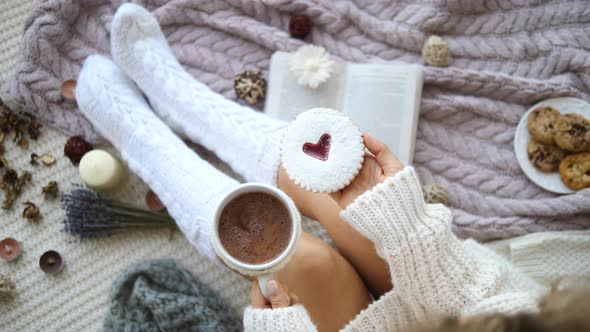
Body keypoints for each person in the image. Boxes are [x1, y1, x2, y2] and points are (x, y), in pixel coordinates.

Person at [76, 4, 558, 332]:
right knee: (337, 189)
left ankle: (148, 149)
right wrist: (411, 232)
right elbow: (494, 300)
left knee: (297, 257)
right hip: (455, 313)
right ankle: (187, 105)